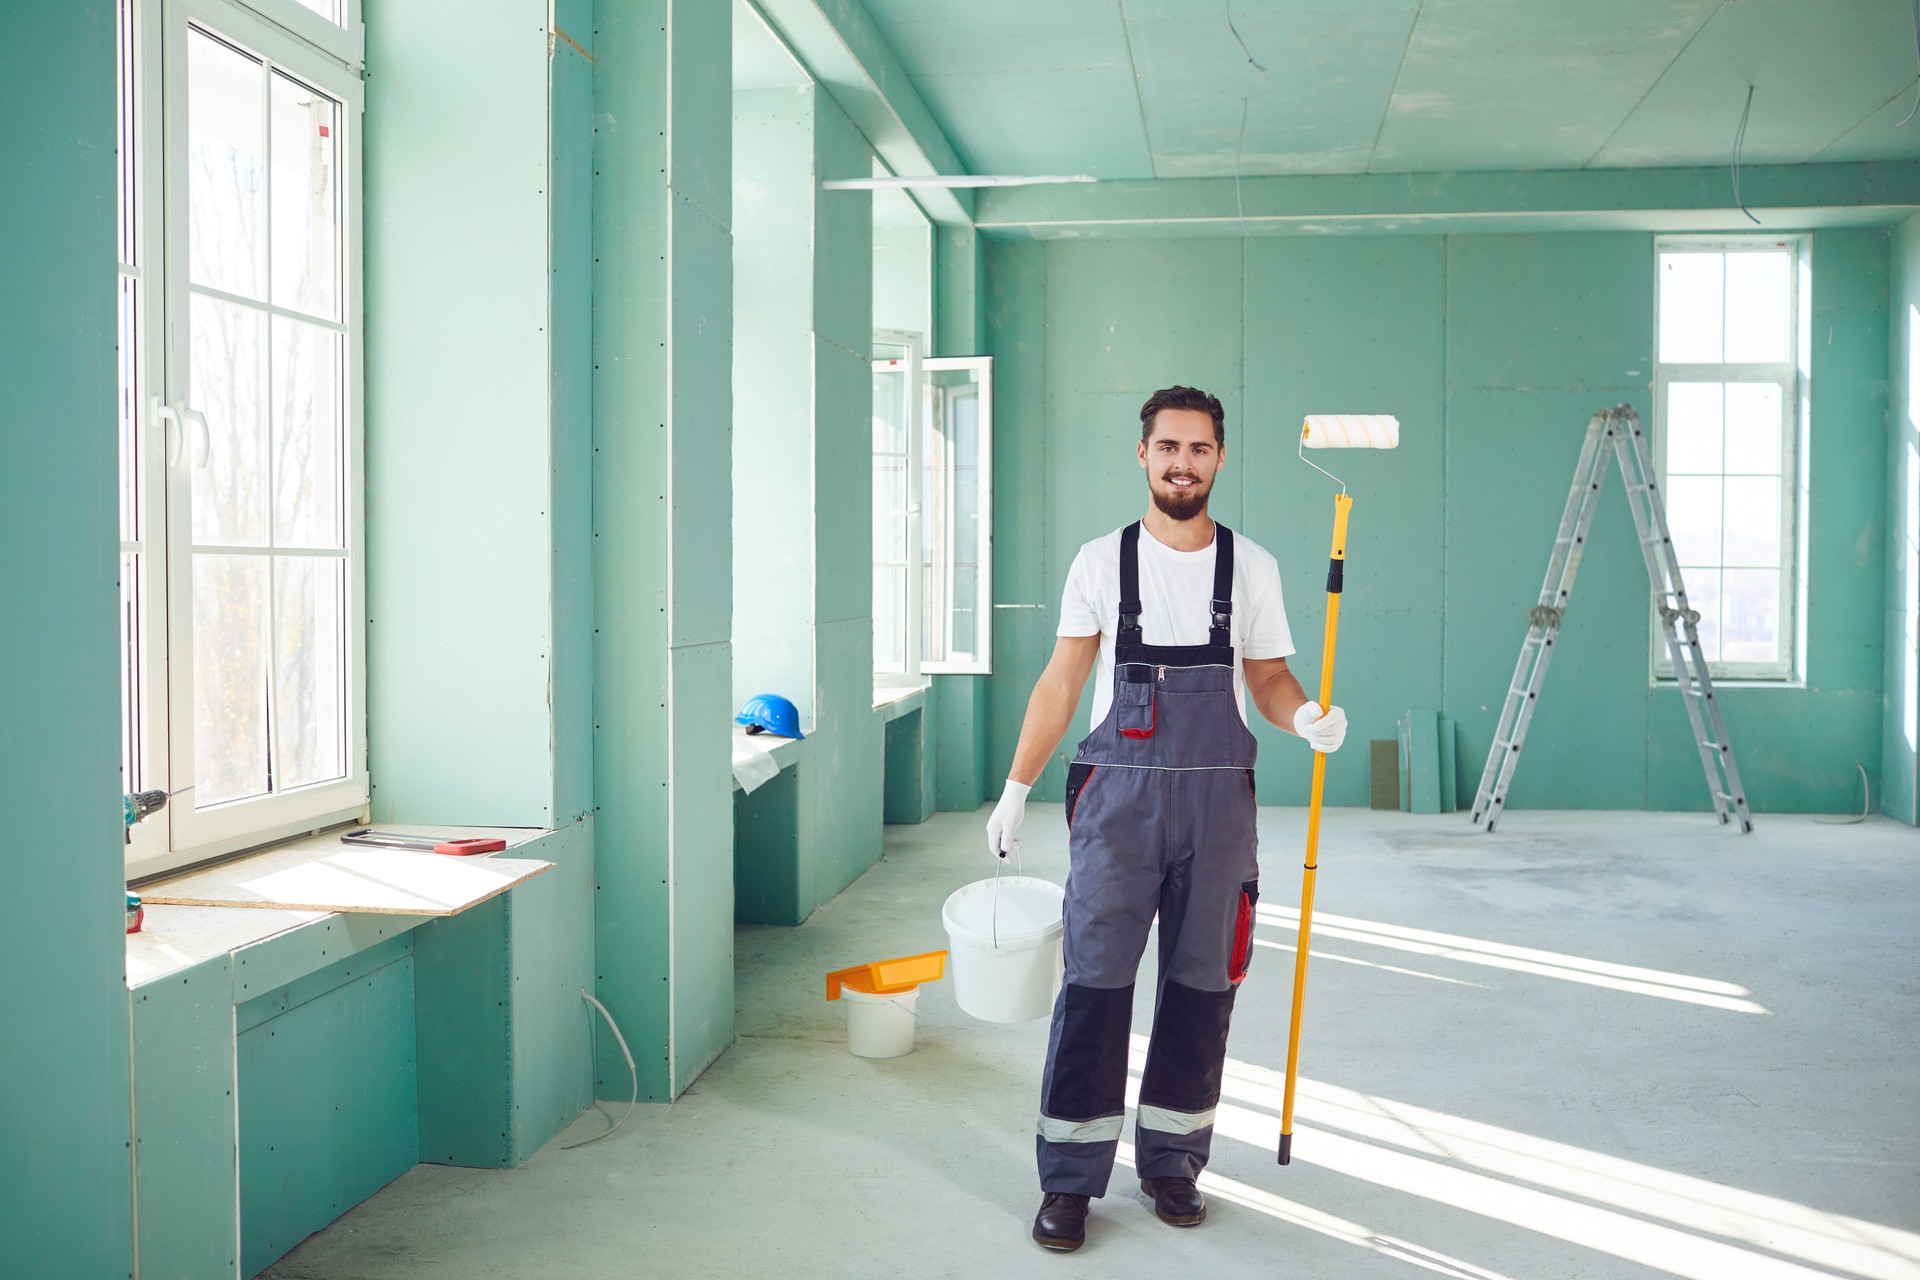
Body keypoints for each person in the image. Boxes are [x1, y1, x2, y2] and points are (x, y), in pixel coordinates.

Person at [985, 385, 1348, 1252]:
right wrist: (1014, 784)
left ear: (1220, 459)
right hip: (1118, 809)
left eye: (1198, 448)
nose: (1182, 462)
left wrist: (1303, 716)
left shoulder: (1250, 566)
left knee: (1200, 990)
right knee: (1096, 987)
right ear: (1142, 455)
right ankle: (1071, 1180)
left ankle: (1173, 1163)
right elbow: (1063, 682)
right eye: (1167, 447)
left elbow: (1266, 678)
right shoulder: (1100, 563)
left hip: (1218, 811)